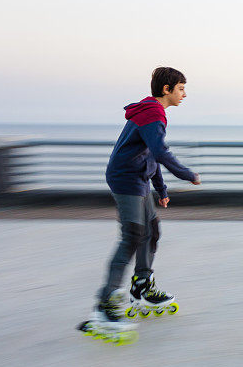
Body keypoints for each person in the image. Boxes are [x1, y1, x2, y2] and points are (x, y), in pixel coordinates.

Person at [81, 66, 200, 339]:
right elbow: (160, 151)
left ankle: (142, 286)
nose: (184, 94)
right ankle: (105, 302)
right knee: (133, 236)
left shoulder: (152, 112)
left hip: (138, 179)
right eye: (181, 88)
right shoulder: (152, 113)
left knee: (152, 230)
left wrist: (161, 188)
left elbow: (149, 154)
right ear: (166, 90)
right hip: (126, 180)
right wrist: (187, 174)